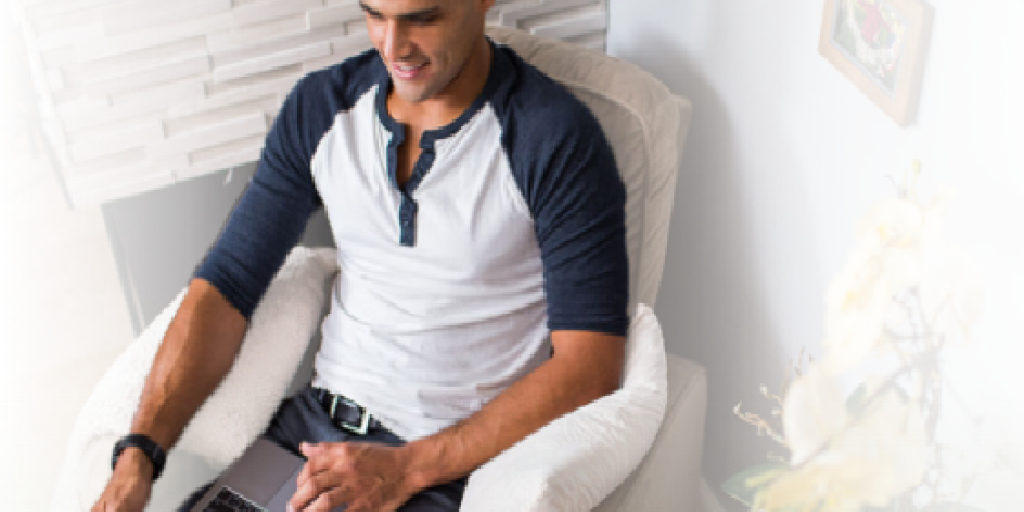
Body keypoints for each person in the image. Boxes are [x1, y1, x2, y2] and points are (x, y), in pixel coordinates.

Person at [92, 0, 629, 510]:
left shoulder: (553, 138)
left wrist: (407, 469)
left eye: (422, 18)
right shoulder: (322, 107)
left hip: (439, 469)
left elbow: (590, 364)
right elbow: (230, 281)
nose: (393, 47)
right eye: (375, 14)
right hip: (309, 439)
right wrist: (139, 455)